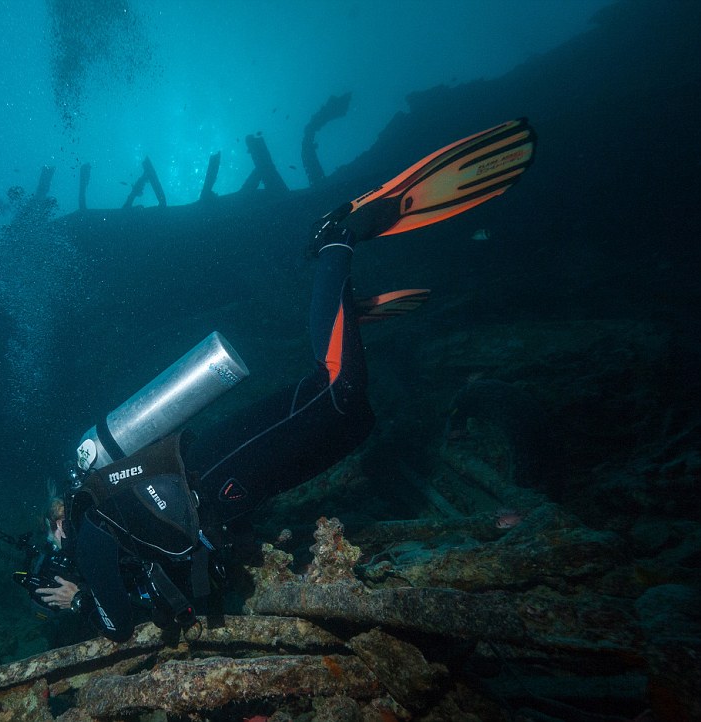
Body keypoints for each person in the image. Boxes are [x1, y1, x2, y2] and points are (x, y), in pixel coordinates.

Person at [34, 119, 537, 641]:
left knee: (338, 391)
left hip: (213, 473)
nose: (57, 549)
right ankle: (347, 317)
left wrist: (77, 599)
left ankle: (336, 240)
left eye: (52, 538)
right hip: (219, 479)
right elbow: (168, 587)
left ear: (58, 520)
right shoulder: (110, 525)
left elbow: (117, 627)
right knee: (353, 424)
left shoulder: (92, 529)